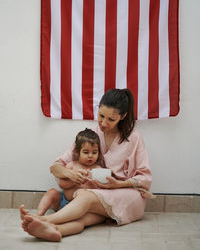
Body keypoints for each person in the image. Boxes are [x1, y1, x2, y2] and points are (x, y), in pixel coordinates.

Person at [20, 88, 153, 242]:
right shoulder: (92, 135)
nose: (103, 123)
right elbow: (55, 167)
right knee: (84, 217)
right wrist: (70, 174)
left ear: (123, 116)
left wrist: (118, 184)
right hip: (98, 195)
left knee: (85, 196)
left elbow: (145, 178)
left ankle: (44, 220)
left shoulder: (134, 138)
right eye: (101, 116)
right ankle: (56, 230)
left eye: (111, 119)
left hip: (127, 195)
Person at [21, 128, 104, 217]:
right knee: (52, 192)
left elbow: (101, 191)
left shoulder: (97, 169)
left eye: (94, 152)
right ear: (77, 151)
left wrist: (93, 183)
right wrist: (73, 180)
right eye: (86, 152)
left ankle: (57, 219)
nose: (90, 156)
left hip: (82, 207)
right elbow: (61, 184)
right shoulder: (72, 166)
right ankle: (38, 215)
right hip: (64, 202)